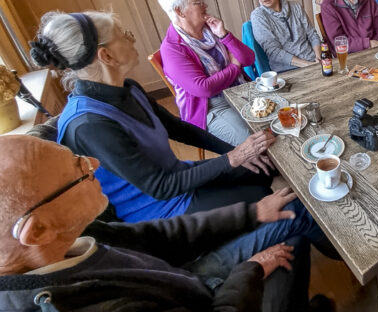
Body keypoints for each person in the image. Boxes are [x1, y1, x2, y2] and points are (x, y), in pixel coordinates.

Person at [0, 135, 333, 312]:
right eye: (79, 169)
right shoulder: (87, 304)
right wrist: (249, 271)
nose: (95, 163)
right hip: (205, 297)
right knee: (293, 234)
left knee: (288, 215)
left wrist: (252, 213)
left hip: (183, 277)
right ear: (38, 230)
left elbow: (158, 236)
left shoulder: (70, 236)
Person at [28, 11, 279, 223]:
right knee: (260, 195)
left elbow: (178, 128)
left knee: (263, 170)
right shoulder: (89, 125)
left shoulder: (128, 88)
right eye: (123, 35)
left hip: (177, 177)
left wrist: (237, 152)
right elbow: (160, 187)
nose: (132, 39)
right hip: (157, 210)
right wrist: (233, 158)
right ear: (106, 56)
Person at [157, 0, 254, 146]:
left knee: (283, 115)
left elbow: (248, 59)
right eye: (198, 2)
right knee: (252, 140)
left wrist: (225, 35)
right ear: (179, 11)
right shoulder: (172, 48)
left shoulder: (211, 29)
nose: (205, 5)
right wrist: (234, 67)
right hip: (210, 107)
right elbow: (204, 89)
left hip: (238, 90)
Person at [249, 0, 322, 72]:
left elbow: (312, 34)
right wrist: (307, 65)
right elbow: (274, 52)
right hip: (287, 69)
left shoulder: (295, 6)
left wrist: (318, 57)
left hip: (312, 61)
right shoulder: (258, 16)